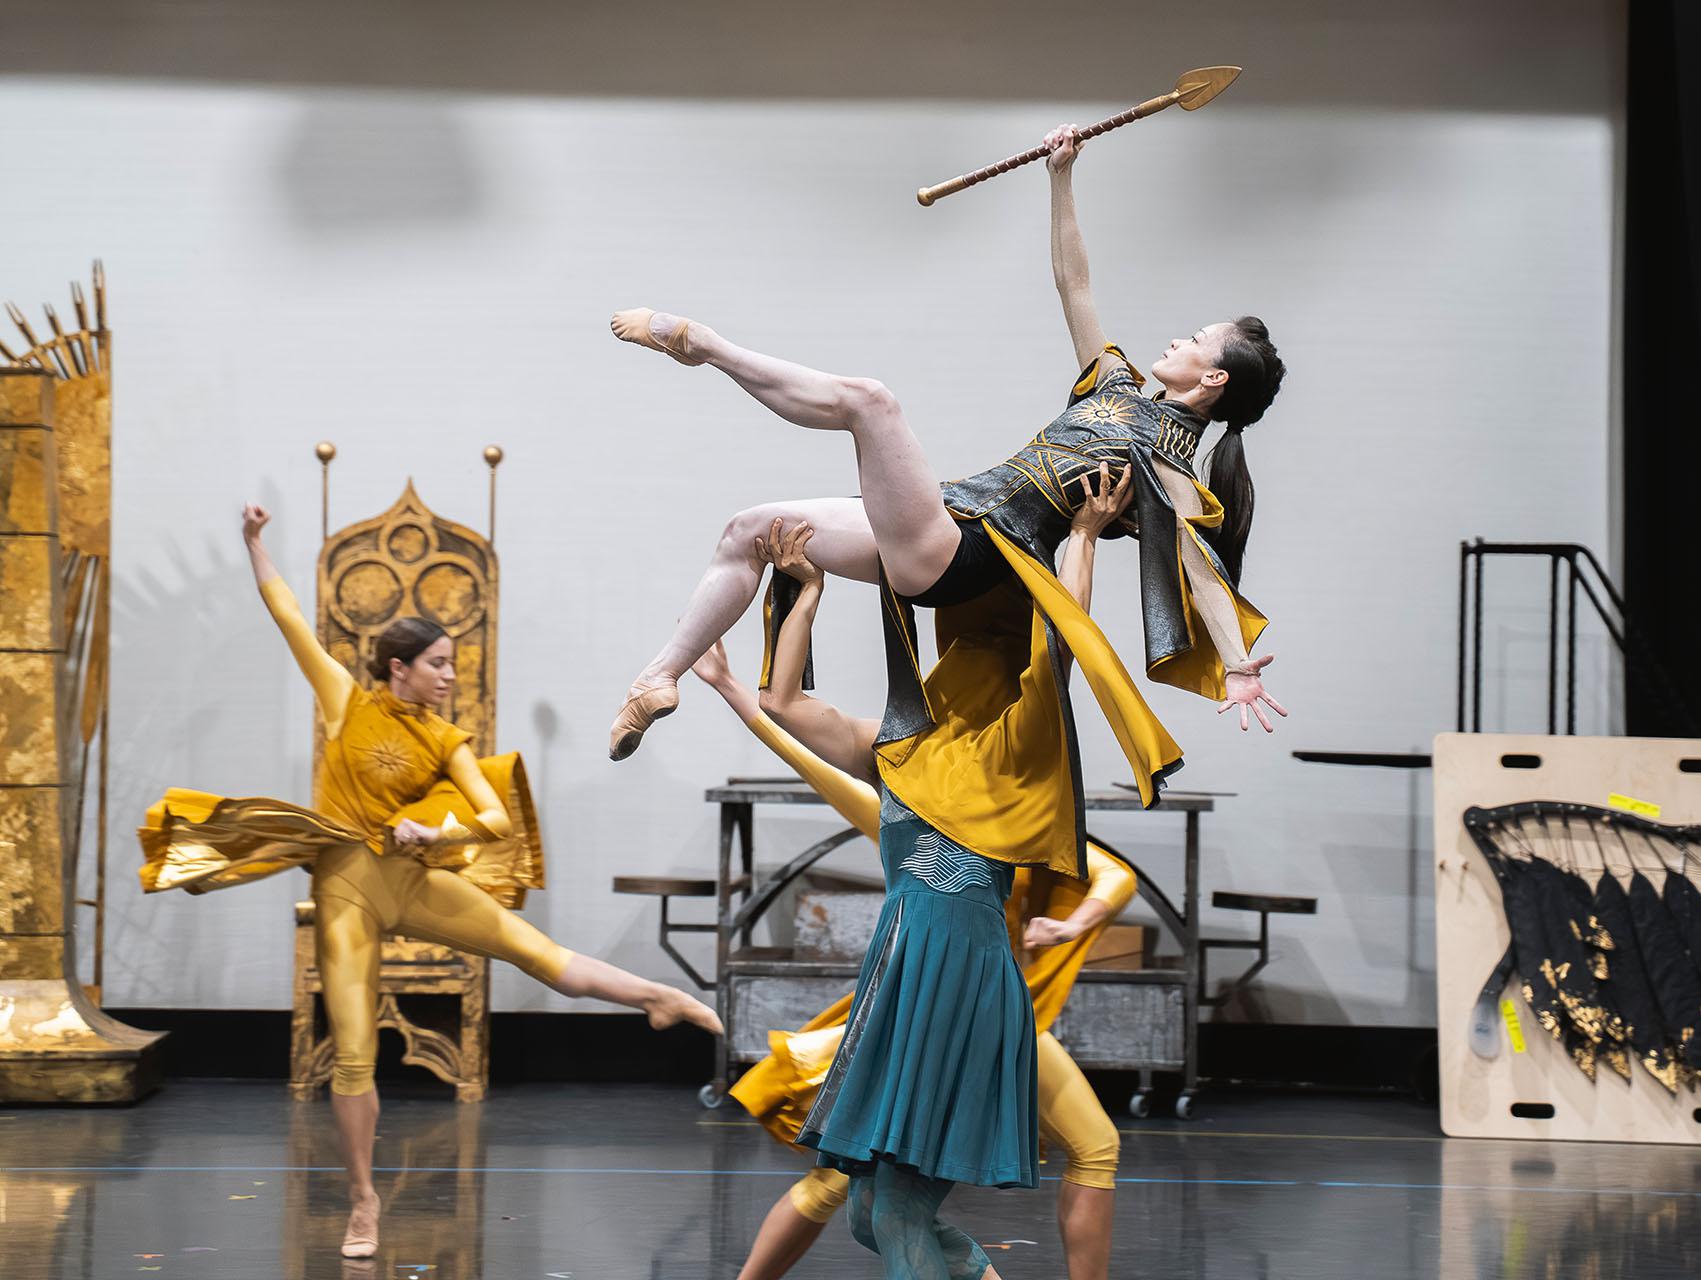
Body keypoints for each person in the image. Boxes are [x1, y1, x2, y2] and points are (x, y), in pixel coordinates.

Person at [606, 124, 1287, 885]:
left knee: (871, 401)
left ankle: (702, 345)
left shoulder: (1171, 466)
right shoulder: (1116, 385)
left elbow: (1199, 570)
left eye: (1196, 338)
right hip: (952, 514)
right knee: (748, 531)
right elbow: (1075, 285)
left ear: (1215, 379)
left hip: (971, 552)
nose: (1178, 338)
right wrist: (1061, 177)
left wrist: (1236, 665)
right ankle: (656, 679)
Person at [138, 504, 722, 1259]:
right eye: (439, 664)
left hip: (412, 879)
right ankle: (363, 1202)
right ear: (399, 668)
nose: (451, 676)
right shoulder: (346, 702)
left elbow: (492, 819)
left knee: (537, 953)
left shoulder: (448, 740)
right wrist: (253, 543)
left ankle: (657, 996)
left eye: (453, 663)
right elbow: (287, 615)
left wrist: (433, 832)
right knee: (353, 1055)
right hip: (346, 892)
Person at [692, 515, 1134, 1280]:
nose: (951, 653)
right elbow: (788, 704)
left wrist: (1085, 539)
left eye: (974, 644)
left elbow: (1061, 646)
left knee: (895, 1211)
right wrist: (808, 592)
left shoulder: (1017, 747)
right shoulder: (898, 748)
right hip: (900, 982)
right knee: (868, 1212)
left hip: (963, 982)